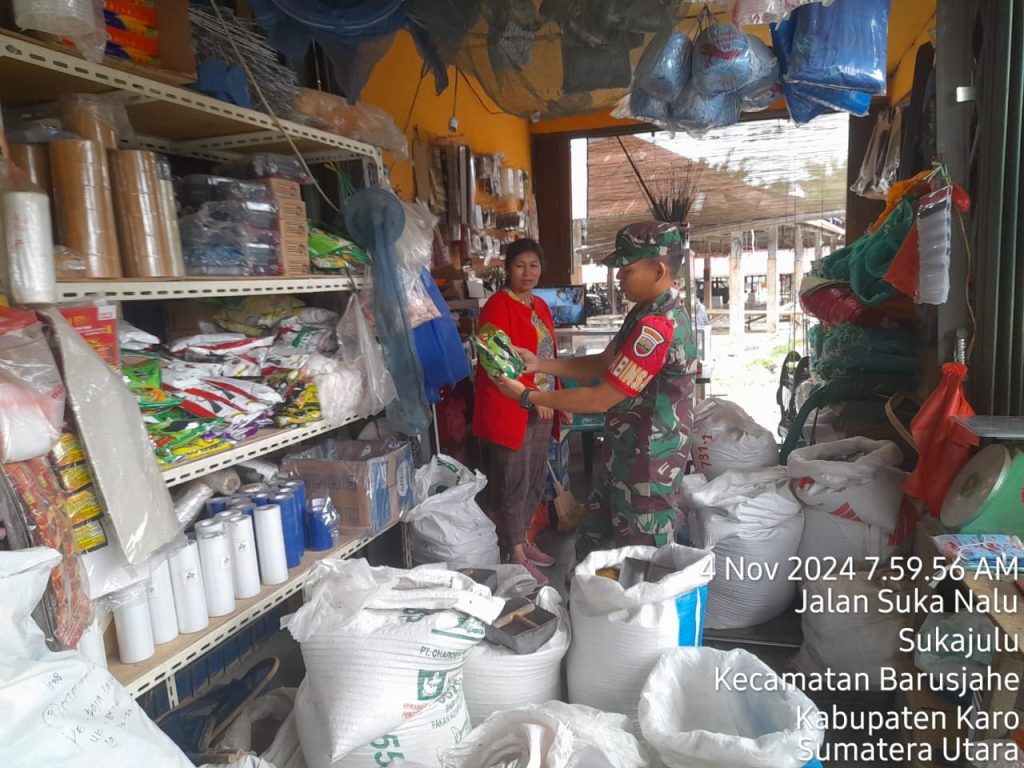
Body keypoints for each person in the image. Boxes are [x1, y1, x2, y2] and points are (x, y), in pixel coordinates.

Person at [490, 222, 698, 558]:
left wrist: (528, 396)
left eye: (626, 269)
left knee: (642, 562)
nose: (619, 278)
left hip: (648, 468)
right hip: (624, 456)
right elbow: (604, 363)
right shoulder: (644, 313)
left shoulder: (659, 326)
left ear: (658, 270)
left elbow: (601, 398)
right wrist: (540, 365)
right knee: (595, 547)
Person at [473, 238, 559, 584]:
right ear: (508, 269)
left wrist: (556, 399)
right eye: (520, 265)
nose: (528, 272)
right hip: (513, 408)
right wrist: (534, 397)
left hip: (544, 406)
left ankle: (523, 539)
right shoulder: (498, 306)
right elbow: (497, 364)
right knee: (513, 482)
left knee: (535, 479)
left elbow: (547, 354)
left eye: (533, 265)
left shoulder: (540, 305)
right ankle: (516, 553)